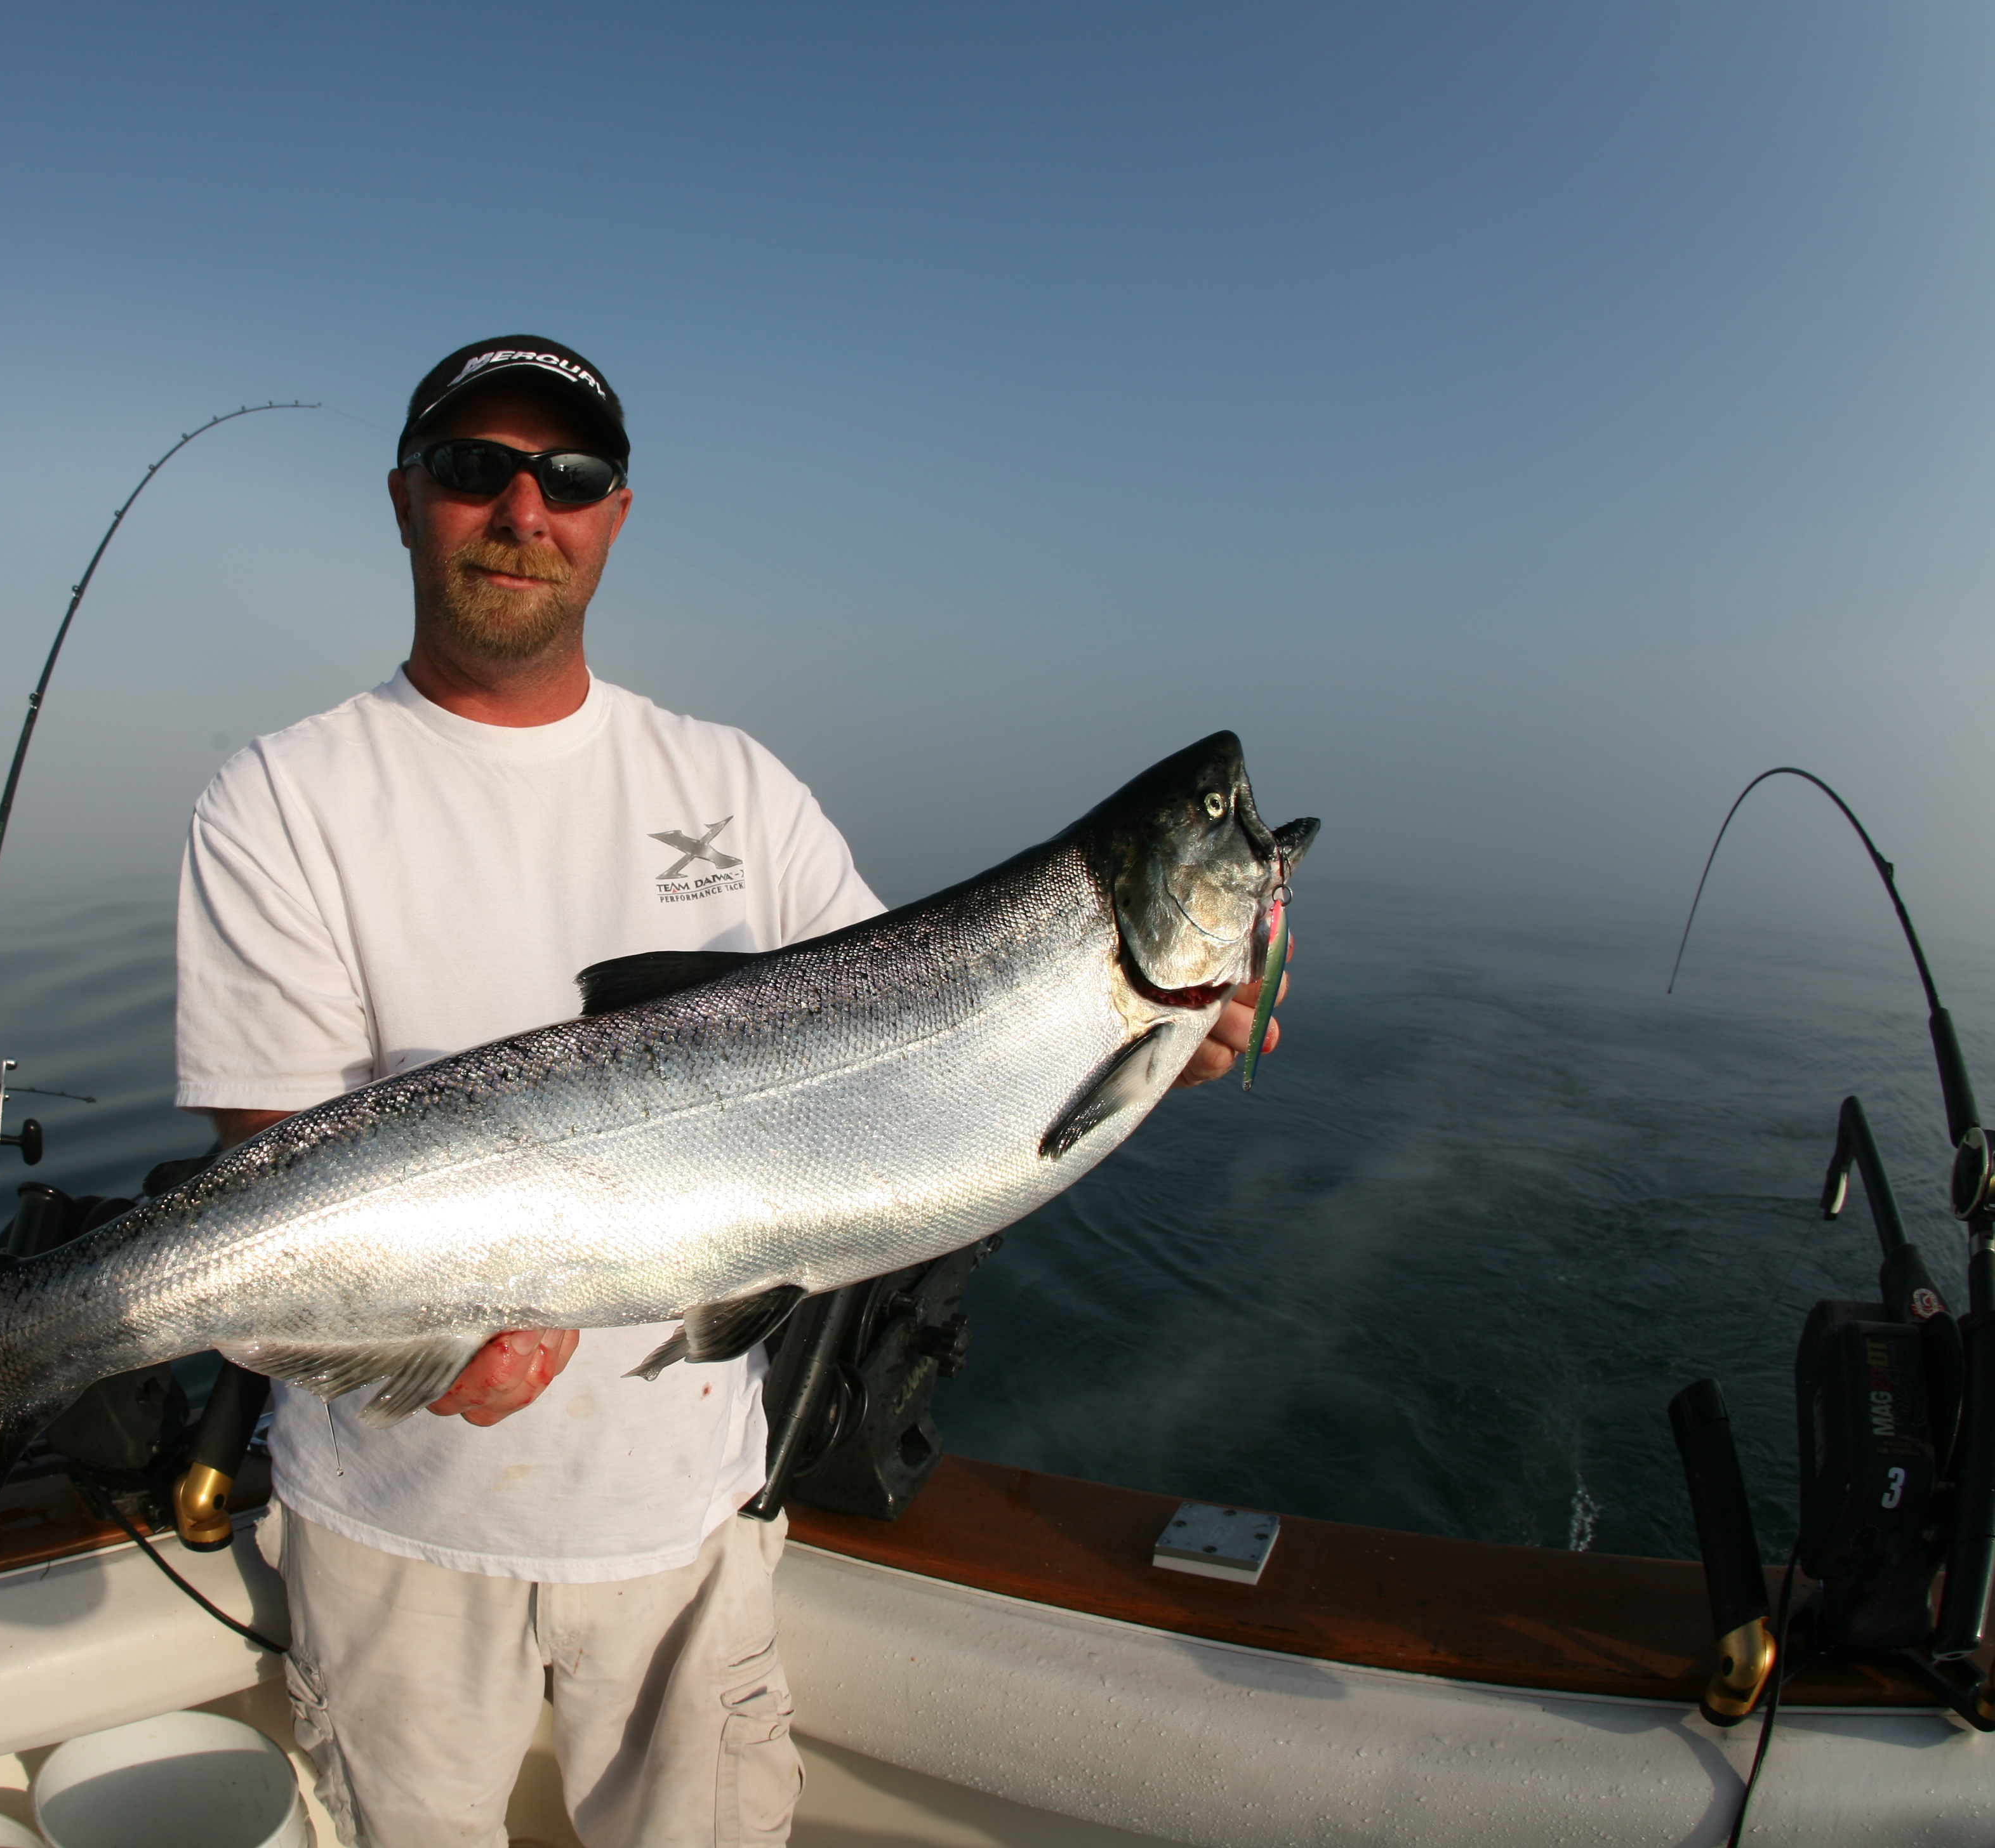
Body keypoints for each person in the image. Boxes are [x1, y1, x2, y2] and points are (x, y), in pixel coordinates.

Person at [172, 336, 1283, 1848]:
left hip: (683, 1531)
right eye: (471, 468)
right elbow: (266, 1159)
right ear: (403, 499)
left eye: (567, 477)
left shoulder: (737, 788)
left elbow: (933, 1047)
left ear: (617, 515)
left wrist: (1163, 1038)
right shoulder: (282, 795)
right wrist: (421, 1352)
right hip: (396, 1536)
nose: (522, 508)